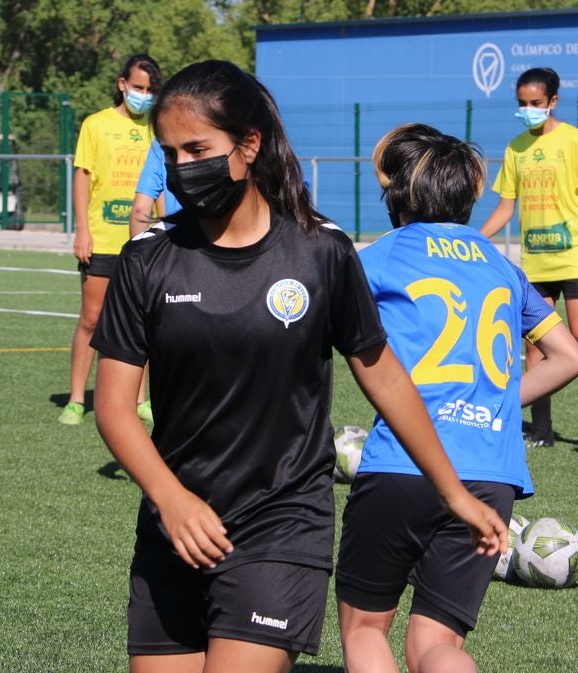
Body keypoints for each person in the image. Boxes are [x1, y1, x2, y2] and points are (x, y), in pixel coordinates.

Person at [89, 60, 506, 673]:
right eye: (170, 154)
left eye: (198, 149)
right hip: (173, 526)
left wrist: (454, 492)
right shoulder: (148, 260)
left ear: (248, 145)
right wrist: (169, 498)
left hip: (281, 523)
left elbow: (385, 375)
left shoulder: (320, 252)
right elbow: (114, 405)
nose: (182, 169)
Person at [336, 124, 578, 673]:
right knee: (437, 645)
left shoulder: (376, 258)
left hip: (404, 463)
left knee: (364, 629)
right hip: (491, 473)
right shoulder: (501, 265)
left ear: (396, 195)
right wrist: (494, 403)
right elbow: (571, 357)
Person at [480, 67, 578, 453]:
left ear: (553, 102)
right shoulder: (515, 149)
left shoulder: (574, 141)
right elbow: (505, 208)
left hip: (574, 258)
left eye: (536, 104)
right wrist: (474, 238)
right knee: (536, 346)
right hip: (536, 262)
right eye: (523, 104)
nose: (529, 110)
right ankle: (541, 431)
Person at [60, 54, 160, 426]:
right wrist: (82, 230)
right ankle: (75, 400)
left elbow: (162, 182)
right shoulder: (96, 125)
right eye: (138, 88)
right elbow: (82, 177)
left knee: (144, 321)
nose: (143, 96)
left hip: (145, 240)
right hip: (102, 238)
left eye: (150, 90)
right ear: (122, 84)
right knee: (91, 319)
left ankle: (140, 398)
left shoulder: (157, 128)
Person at [127, 140, 181, 238]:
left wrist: (137, 249)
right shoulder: (214, 134)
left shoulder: (161, 142)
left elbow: (140, 208)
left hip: (176, 240)